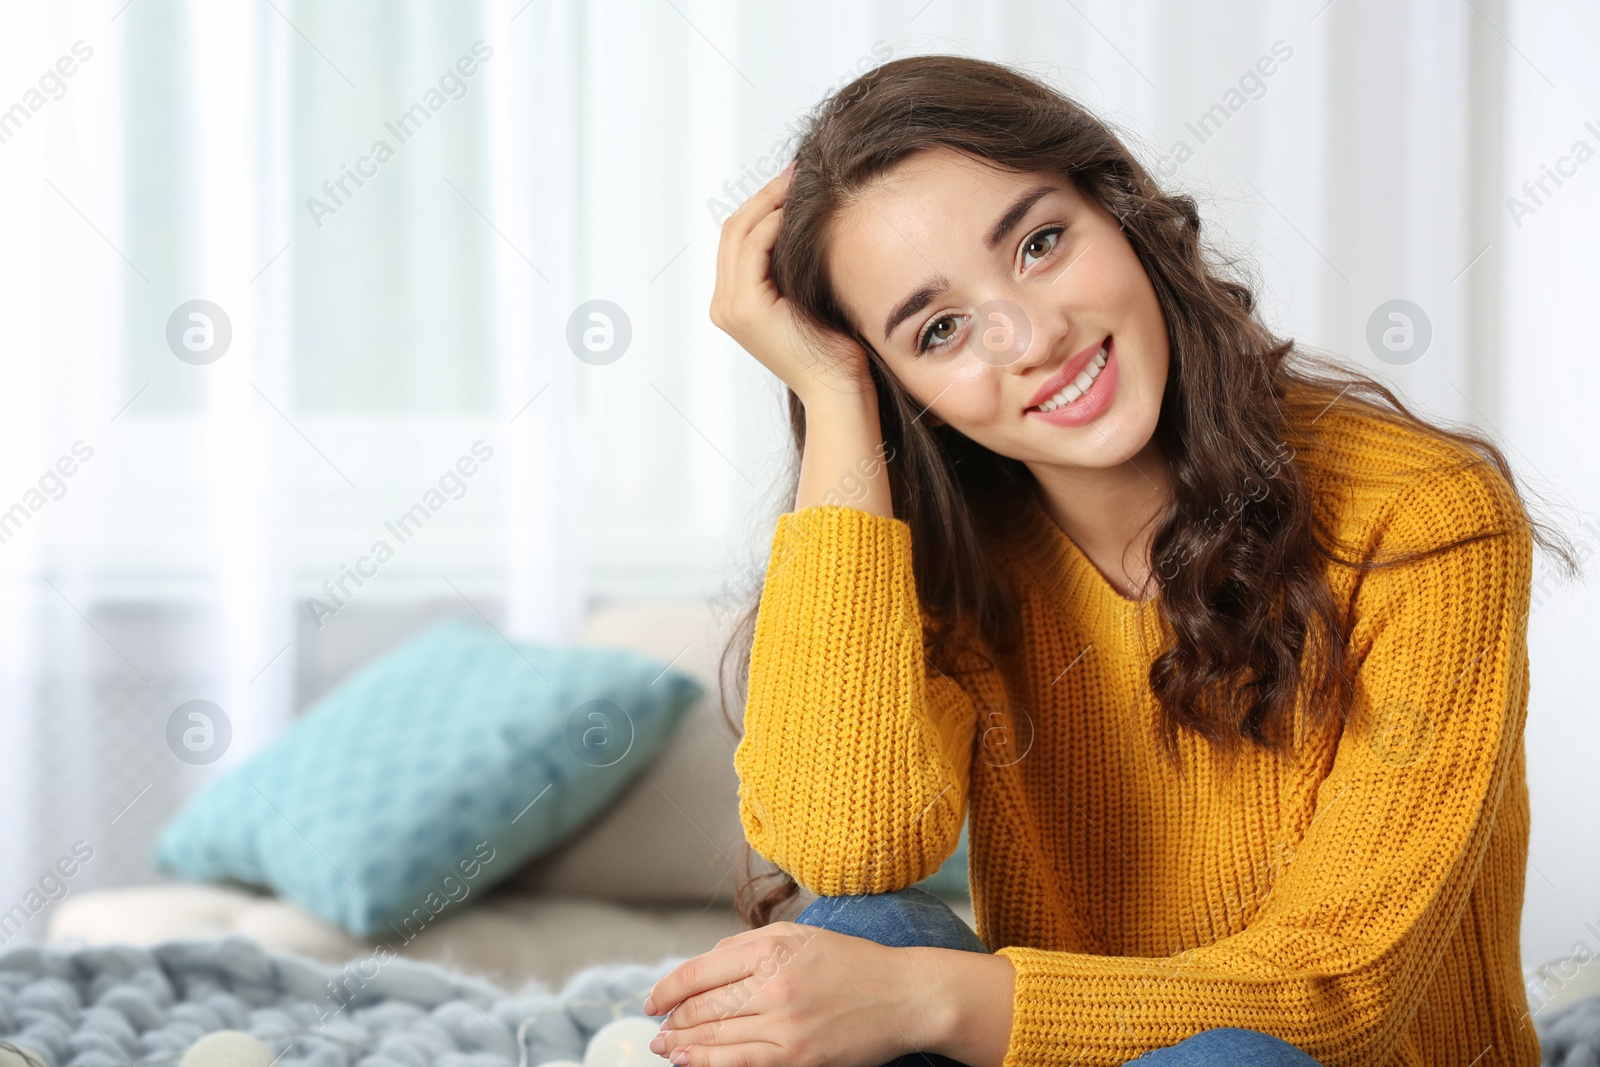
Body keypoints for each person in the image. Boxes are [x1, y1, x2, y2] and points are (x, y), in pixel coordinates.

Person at [642, 54, 1572, 1067]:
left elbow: (1337, 999)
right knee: (859, 928)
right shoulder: (960, 558)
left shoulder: (1419, 515)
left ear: (1122, 213)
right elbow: (848, 846)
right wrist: (829, 391)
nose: (1031, 335)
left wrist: (937, 999)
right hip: (1073, 1048)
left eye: (1041, 243)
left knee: (1231, 1058)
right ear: (902, 386)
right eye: (939, 328)